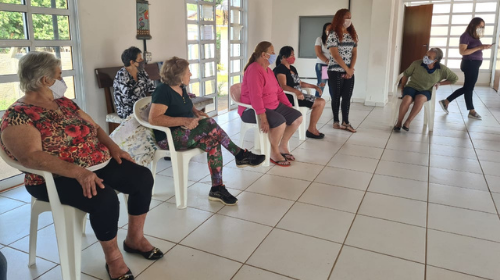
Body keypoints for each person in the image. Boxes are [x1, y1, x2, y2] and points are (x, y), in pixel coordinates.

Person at [0, 52, 163, 280]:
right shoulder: (17, 115)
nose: (62, 79)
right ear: (45, 80)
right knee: (104, 198)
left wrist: (114, 147)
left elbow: (95, 127)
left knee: (142, 177)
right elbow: (31, 157)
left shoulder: (64, 103)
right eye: (59, 75)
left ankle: (134, 239)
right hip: (53, 178)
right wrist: (78, 172)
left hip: (96, 164)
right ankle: (114, 258)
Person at [149, 57, 265, 205]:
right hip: (170, 138)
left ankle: (217, 188)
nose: (190, 74)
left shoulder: (180, 87)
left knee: (213, 141)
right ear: (178, 75)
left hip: (186, 133)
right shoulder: (162, 91)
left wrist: (195, 111)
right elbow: (154, 119)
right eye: (188, 72)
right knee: (210, 123)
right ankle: (240, 154)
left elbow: (186, 104)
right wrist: (184, 121)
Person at [239, 41, 303, 167]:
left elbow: (279, 91)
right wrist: (263, 118)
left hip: (272, 105)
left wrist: (288, 107)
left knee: (297, 117)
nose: (275, 54)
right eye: (272, 52)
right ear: (264, 55)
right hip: (252, 110)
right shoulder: (254, 70)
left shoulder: (267, 70)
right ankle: (274, 152)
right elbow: (256, 97)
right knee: (280, 122)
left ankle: (282, 146)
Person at [439, 18, 491, 120]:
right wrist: (480, 48)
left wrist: (483, 47)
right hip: (469, 64)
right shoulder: (465, 36)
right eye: (480, 26)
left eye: (483, 27)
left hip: (474, 64)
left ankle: (446, 102)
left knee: (468, 87)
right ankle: (471, 111)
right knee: (468, 88)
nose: (482, 28)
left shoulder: (475, 37)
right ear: (473, 25)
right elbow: (463, 52)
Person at [395, 48, 458, 131]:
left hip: (426, 90)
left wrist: (439, 83)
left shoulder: (442, 69)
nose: (426, 57)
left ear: (435, 60)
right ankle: (399, 123)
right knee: (407, 99)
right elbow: (406, 74)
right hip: (412, 87)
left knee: (420, 99)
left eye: (429, 57)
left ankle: (408, 122)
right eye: (426, 55)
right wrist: (402, 87)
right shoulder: (416, 63)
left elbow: (454, 79)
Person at [274, 46, 326, 139]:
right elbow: (283, 86)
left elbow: (300, 83)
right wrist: (296, 92)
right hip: (290, 97)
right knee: (320, 102)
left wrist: (314, 86)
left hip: (299, 95)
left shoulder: (292, 68)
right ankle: (311, 130)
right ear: (284, 57)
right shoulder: (280, 69)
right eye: (292, 55)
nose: (294, 57)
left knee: (321, 101)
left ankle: (312, 128)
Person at [327, 9, 358, 133]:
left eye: (350, 17)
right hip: (335, 70)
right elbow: (335, 55)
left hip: (349, 71)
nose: (348, 20)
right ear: (339, 18)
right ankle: (336, 121)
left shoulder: (353, 34)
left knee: (347, 97)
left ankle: (346, 122)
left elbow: (354, 53)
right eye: (346, 17)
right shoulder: (333, 34)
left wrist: (350, 70)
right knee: (336, 97)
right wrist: (346, 69)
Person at [113, 46, 155, 119]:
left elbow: (151, 88)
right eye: (140, 59)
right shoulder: (122, 74)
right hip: (127, 110)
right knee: (154, 115)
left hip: (142, 106)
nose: (142, 60)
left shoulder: (141, 71)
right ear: (132, 62)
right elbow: (129, 97)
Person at [315, 22, 332, 97]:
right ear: (325, 30)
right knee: (322, 84)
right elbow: (318, 53)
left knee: (333, 86)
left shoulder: (336, 40)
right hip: (324, 66)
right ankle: (316, 103)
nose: (330, 31)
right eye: (328, 29)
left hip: (333, 67)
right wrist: (328, 62)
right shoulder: (320, 39)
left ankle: (335, 105)